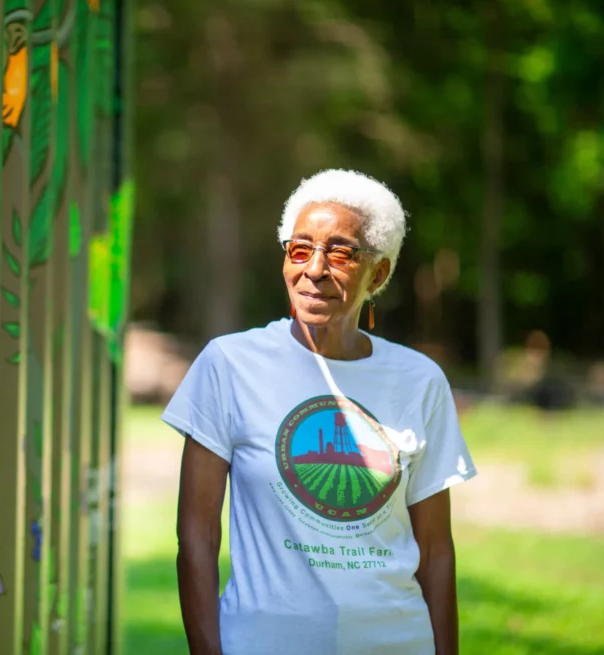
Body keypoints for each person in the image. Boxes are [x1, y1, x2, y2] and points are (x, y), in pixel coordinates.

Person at [163, 169, 477, 655]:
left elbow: (436, 553)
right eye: (300, 249)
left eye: (341, 252)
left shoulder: (419, 381)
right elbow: (197, 535)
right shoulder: (229, 365)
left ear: (379, 273)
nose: (314, 269)